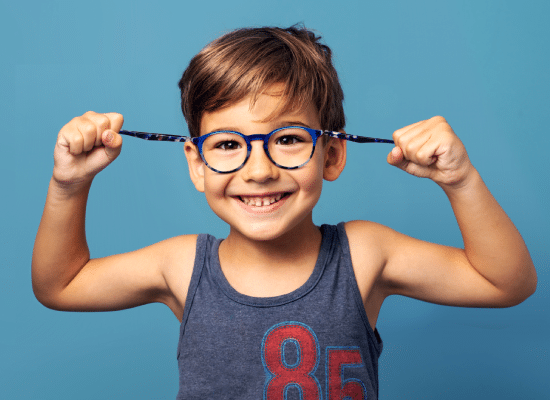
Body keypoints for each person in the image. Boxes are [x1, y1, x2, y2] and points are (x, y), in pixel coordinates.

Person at [32, 25, 537, 399]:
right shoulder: (181, 267)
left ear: (333, 154)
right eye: (228, 144)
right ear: (197, 164)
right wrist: (68, 185)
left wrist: (460, 180)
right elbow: (60, 285)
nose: (259, 170)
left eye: (289, 139)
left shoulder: (364, 254)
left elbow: (505, 283)